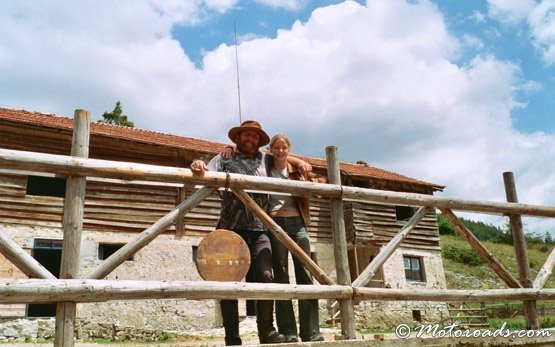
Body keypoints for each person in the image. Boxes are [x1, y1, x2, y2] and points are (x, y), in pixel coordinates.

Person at [190, 120, 310, 346]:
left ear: (258, 141)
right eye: (246, 135)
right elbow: (204, 169)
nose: (250, 139)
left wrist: (301, 161)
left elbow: (284, 158)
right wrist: (197, 164)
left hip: (260, 229)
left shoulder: (265, 159)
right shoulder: (224, 158)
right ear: (237, 138)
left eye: (254, 136)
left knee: (265, 276)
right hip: (229, 230)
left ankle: (267, 332)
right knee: (227, 283)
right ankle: (232, 337)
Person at [267, 134, 324, 343]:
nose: (281, 151)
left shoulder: (296, 171)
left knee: (305, 275)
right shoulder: (265, 167)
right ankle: (289, 331)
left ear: (289, 149)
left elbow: (320, 181)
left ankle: (312, 331)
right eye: (277, 148)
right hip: (275, 224)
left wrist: (302, 165)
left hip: (298, 225)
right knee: (281, 277)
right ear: (271, 150)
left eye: (284, 148)